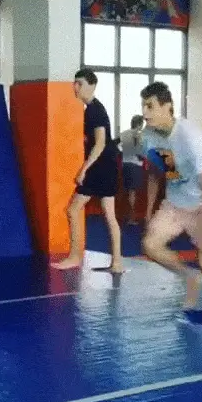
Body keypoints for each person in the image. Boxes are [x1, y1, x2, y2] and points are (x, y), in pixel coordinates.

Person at [139, 81, 202, 326]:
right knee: (150, 244)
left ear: (167, 106)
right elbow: (160, 172)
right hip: (177, 201)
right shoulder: (148, 137)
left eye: (150, 106)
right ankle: (190, 277)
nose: (145, 112)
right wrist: (149, 210)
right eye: (143, 106)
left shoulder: (190, 136)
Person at [52, 68, 123, 272]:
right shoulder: (93, 109)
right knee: (109, 215)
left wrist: (84, 169)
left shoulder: (94, 110)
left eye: (80, 83)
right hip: (108, 164)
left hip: (101, 166)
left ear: (91, 85)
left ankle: (75, 257)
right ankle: (117, 263)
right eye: (74, 83)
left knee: (73, 210)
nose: (75, 87)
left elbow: (100, 143)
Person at [114, 115, 145, 225]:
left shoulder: (125, 133)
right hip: (135, 165)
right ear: (139, 124)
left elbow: (114, 144)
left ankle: (120, 215)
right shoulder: (139, 135)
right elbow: (140, 152)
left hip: (125, 165)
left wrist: (122, 153)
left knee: (124, 191)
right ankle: (131, 218)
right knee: (132, 193)